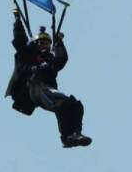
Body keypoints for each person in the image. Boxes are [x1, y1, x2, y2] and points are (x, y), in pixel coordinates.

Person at [5, 9, 92, 148]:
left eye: (46, 43)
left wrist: (59, 42)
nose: (43, 45)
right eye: (40, 42)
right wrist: (17, 20)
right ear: (36, 44)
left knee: (73, 105)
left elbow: (61, 59)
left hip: (48, 89)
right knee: (61, 101)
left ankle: (71, 136)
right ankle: (69, 135)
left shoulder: (50, 61)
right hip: (35, 88)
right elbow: (20, 41)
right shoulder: (28, 56)